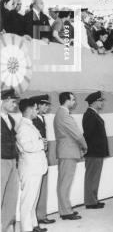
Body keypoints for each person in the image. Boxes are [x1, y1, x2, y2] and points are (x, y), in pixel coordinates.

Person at [53, 92, 87, 220]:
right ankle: (66, 212)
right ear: (66, 101)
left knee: (63, 182)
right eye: (73, 100)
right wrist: (85, 146)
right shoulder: (64, 115)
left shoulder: (61, 114)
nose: (75, 102)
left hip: (66, 152)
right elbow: (77, 134)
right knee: (65, 183)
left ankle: (65, 210)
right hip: (68, 152)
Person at [16, 99, 48, 232]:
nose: (37, 111)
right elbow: (26, 146)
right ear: (29, 110)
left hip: (35, 167)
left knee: (33, 200)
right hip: (30, 168)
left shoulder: (29, 124)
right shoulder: (23, 126)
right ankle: (27, 228)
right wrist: (42, 144)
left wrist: (41, 142)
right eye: (35, 109)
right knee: (27, 201)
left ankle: (34, 225)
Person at [28, 95, 55, 226]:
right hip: (36, 158)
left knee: (42, 187)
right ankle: (38, 216)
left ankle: (41, 215)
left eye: (47, 105)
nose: (47, 107)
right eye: (44, 104)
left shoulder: (41, 118)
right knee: (37, 188)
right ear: (36, 106)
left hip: (42, 156)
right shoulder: (33, 120)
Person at [82, 91, 109, 209]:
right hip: (93, 152)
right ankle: (90, 202)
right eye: (100, 101)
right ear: (94, 102)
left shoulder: (93, 114)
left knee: (95, 177)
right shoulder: (89, 115)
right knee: (91, 177)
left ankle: (93, 200)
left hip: (97, 152)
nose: (102, 103)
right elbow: (88, 134)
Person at [1, 89, 19, 232]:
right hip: (1, 161)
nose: (15, 105)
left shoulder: (11, 119)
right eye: (13, 102)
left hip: (12, 161)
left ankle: (7, 228)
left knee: (11, 197)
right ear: (4, 100)